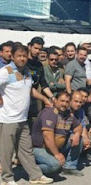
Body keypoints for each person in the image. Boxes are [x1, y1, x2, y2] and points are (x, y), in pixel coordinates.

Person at [0, 44, 53, 184]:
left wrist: (45, 98)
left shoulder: (27, 72)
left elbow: (29, 90)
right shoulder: (6, 71)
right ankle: (7, 178)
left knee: (26, 149)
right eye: (19, 56)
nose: (22, 58)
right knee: (7, 151)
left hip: (22, 118)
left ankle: (35, 176)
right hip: (8, 119)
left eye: (24, 56)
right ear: (12, 56)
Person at [32, 91, 84, 177]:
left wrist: (77, 134)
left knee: (80, 138)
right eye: (62, 101)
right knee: (55, 165)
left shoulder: (68, 114)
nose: (64, 104)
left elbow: (78, 127)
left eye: (67, 102)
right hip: (40, 148)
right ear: (55, 100)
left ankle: (69, 167)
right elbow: (47, 136)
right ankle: (29, 168)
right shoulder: (49, 113)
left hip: (56, 147)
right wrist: (57, 154)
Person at [27, 37, 55, 125]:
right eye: (35, 48)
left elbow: (43, 84)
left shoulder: (39, 65)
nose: (37, 51)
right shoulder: (24, 62)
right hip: (22, 98)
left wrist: (52, 98)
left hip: (34, 101)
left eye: (39, 49)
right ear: (29, 47)